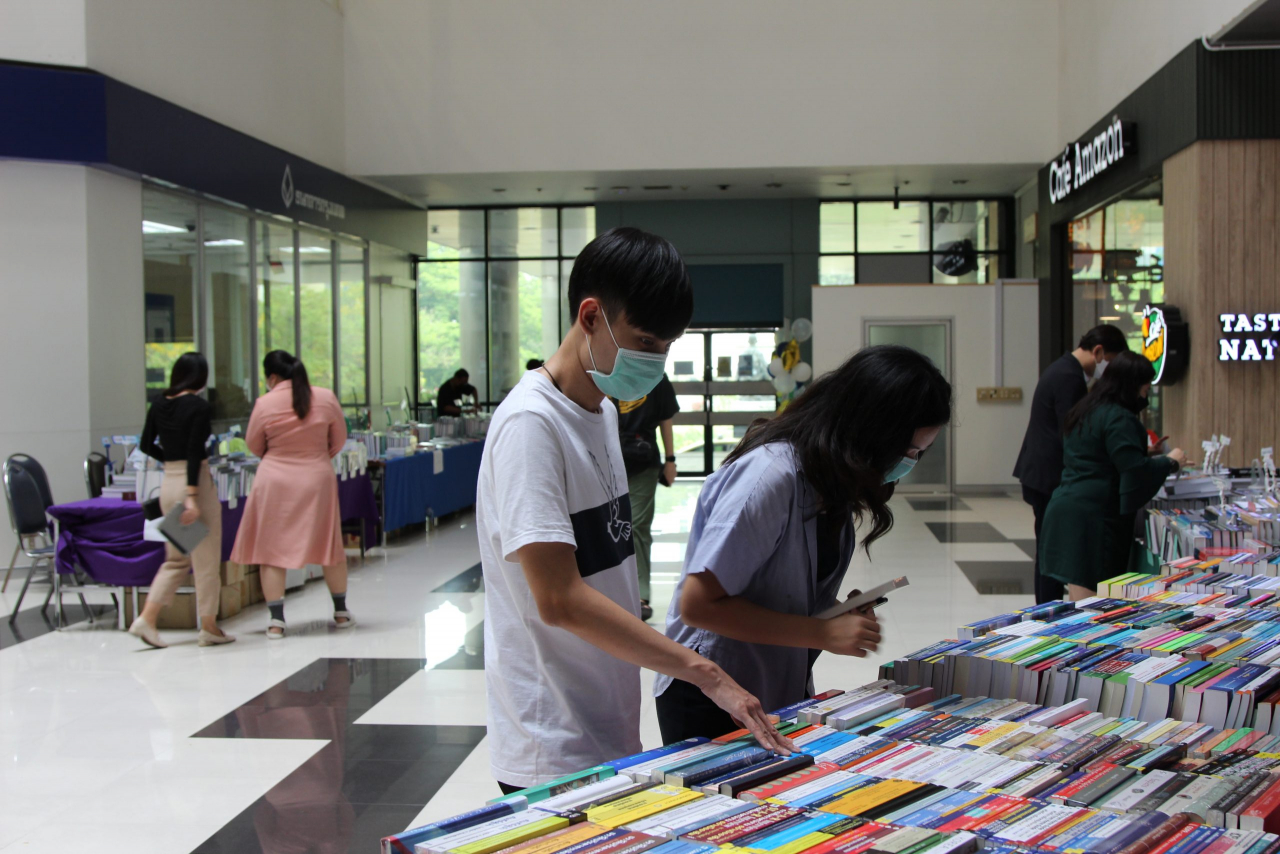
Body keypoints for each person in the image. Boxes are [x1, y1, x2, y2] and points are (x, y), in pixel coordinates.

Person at [477, 226, 791, 794]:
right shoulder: (531, 426)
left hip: (607, 718)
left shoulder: (600, 409)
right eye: (646, 342)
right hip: (551, 740)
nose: (656, 360)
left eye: (667, 347)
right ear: (591, 316)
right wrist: (704, 671)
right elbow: (559, 599)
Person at [655, 345, 951, 743]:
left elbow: (778, 588)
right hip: (711, 692)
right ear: (872, 432)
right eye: (908, 451)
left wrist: (834, 614)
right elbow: (697, 606)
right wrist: (821, 634)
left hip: (770, 683)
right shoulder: (768, 479)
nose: (909, 462)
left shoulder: (830, 477)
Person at [1039, 351, 1187, 601]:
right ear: (1132, 386)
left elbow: (1098, 453)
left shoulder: (1085, 409)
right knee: (1093, 606)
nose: (1145, 397)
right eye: (1144, 390)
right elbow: (1134, 471)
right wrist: (1170, 461)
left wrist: (1143, 451)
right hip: (1094, 519)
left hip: (1067, 509)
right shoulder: (1120, 418)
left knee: (1079, 596)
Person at [230, 350, 354, 639]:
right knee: (328, 544)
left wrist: (281, 456)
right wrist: (315, 455)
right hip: (316, 479)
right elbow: (339, 440)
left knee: (271, 551)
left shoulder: (265, 403)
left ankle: (276, 621)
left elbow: (254, 444)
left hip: (274, 481)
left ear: (272, 377)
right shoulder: (325, 397)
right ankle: (341, 612)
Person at [1013, 325, 1129, 604]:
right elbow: (1075, 431)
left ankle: (1048, 607)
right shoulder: (1069, 377)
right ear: (1098, 351)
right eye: (1110, 362)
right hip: (1047, 475)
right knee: (1050, 551)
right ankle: (1048, 610)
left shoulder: (1063, 369)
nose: (1109, 371)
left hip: (1039, 471)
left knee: (1048, 547)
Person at [129, 352, 232, 648]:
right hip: (193, 484)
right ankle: (209, 627)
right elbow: (193, 452)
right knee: (206, 559)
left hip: (168, 483)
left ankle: (147, 619)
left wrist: (169, 462)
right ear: (199, 378)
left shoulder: (159, 403)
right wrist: (192, 497)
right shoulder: (198, 407)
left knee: (175, 560)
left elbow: (147, 444)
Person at [612, 372, 679, 621]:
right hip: (607, 460)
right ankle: (613, 591)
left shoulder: (655, 377)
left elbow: (666, 419)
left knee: (637, 525)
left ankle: (640, 595)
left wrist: (670, 460)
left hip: (644, 460)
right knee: (610, 526)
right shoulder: (606, 372)